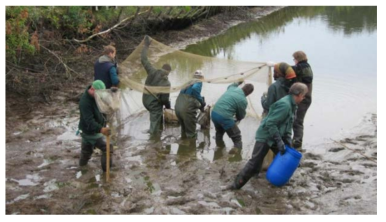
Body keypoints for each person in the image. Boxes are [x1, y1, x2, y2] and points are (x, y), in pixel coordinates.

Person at [227, 82, 308, 190]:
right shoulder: (285, 105)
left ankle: (278, 178)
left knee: (284, 156)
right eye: (303, 95)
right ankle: (235, 185)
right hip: (266, 134)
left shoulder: (293, 106)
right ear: (298, 94)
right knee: (254, 162)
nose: (303, 98)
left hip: (275, 135)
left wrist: (288, 148)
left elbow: (287, 127)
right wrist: (279, 141)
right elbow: (270, 123)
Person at [78, 80, 113, 172]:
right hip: (90, 131)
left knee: (86, 152)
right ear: (92, 89)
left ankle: (82, 167)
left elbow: (105, 106)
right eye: (98, 94)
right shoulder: (84, 102)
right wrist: (101, 129)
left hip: (91, 130)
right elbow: (89, 121)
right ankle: (107, 172)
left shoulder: (95, 96)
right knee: (108, 148)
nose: (100, 96)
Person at [141, 35, 171, 137]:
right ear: (168, 72)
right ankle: (152, 142)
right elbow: (164, 100)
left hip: (145, 100)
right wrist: (168, 107)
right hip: (153, 105)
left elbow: (144, 59)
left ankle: (158, 129)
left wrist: (146, 46)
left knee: (157, 115)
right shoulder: (167, 83)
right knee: (155, 120)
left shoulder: (152, 71)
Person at [211, 81, 254, 151]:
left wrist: (238, 82)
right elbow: (240, 115)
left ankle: (218, 149)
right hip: (224, 117)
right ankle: (237, 153)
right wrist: (236, 119)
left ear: (243, 87)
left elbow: (231, 85)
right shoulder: (243, 100)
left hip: (214, 113)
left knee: (219, 132)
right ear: (249, 93)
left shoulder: (232, 88)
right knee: (237, 137)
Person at [175, 70, 206, 139]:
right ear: (201, 77)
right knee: (191, 133)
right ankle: (191, 148)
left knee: (184, 130)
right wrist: (201, 102)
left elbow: (183, 92)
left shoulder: (188, 82)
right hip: (186, 110)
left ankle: (182, 146)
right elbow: (195, 89)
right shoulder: (198, 82)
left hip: (178, 108)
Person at [291, 51, 313, 149]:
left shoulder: (300, 68)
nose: (294, 61)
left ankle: (297, 142)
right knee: (296, 120)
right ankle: (296, 141)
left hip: (304, 99)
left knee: (297, 121)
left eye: (294, 59)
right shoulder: (306, 67)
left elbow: (289, 70)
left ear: (297, 59)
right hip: (305, 98)